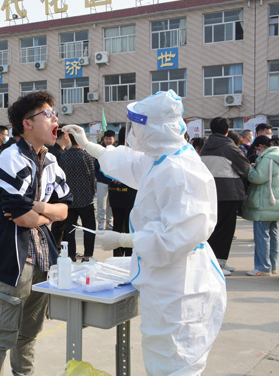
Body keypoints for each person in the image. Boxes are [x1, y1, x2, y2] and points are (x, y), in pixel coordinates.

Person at [65, 90, 226, 375]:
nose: (133, 133)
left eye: (136, 126)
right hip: (166, 279)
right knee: (163, 358)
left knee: (175, 362)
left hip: (181, 285)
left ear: (153, 129)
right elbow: (132, 164)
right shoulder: (164, 157)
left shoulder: (181, 172)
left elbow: (175, 238)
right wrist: (89, 146)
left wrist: (123, 239)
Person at [0, 91, 71, 376]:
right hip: (15, 259)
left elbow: (65, 209)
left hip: (43, 258)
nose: (55, 120)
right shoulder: (10, 159)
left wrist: (38, 207)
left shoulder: (52, 161)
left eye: (55, 114)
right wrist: (44, 214)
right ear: (27, 123)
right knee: (2, 334)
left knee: (29, 333)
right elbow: (21, 217)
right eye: (48, 114)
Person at [201, 117, 250, 275]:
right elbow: (245, 168)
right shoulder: (230, 148)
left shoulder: (205, 147)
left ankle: (216, 260)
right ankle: (219, 263)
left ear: (211, 130)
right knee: (226, 229)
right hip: (229, 193)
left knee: (213, 228)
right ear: (227, 131)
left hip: (209, 192)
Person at [243, 135, 279, 276]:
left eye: (257, 149)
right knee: (273, 235)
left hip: (264, 202)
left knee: (262, 235)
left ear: (261, 147)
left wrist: (250, 169)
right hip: (275, 202)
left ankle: (263, 267)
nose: (257, 151)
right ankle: (273, 265)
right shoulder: (276, 156)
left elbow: (258, 178)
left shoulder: (267, 158)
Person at [57, 133, 97, 261]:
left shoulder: (63, 156)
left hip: (69, 199)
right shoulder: (87, 156)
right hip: (86, 199)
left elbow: (61, 178)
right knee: (89, 228)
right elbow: (92, 177)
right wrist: (91, 193)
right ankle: (87, 256)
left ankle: (71, 256)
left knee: (70, 229)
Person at [107, 127, 136, 257]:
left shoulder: (114, 152)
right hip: (129, 196)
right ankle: (129, 255)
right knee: (129, 227)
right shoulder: (133, 153)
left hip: (115, 194)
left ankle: (117, 255)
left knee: (117, 226)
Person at [94, 129, 116, 230]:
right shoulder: (99, 149)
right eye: (106, 139)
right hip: (102, 180)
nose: (108, 141)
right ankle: (101, 223)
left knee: (111, 204)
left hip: (112, 181)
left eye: (110, 139)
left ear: (114, 139)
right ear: (104, 139)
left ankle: (109, 223)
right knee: (101, 204)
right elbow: (95, 164)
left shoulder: (116, 150)